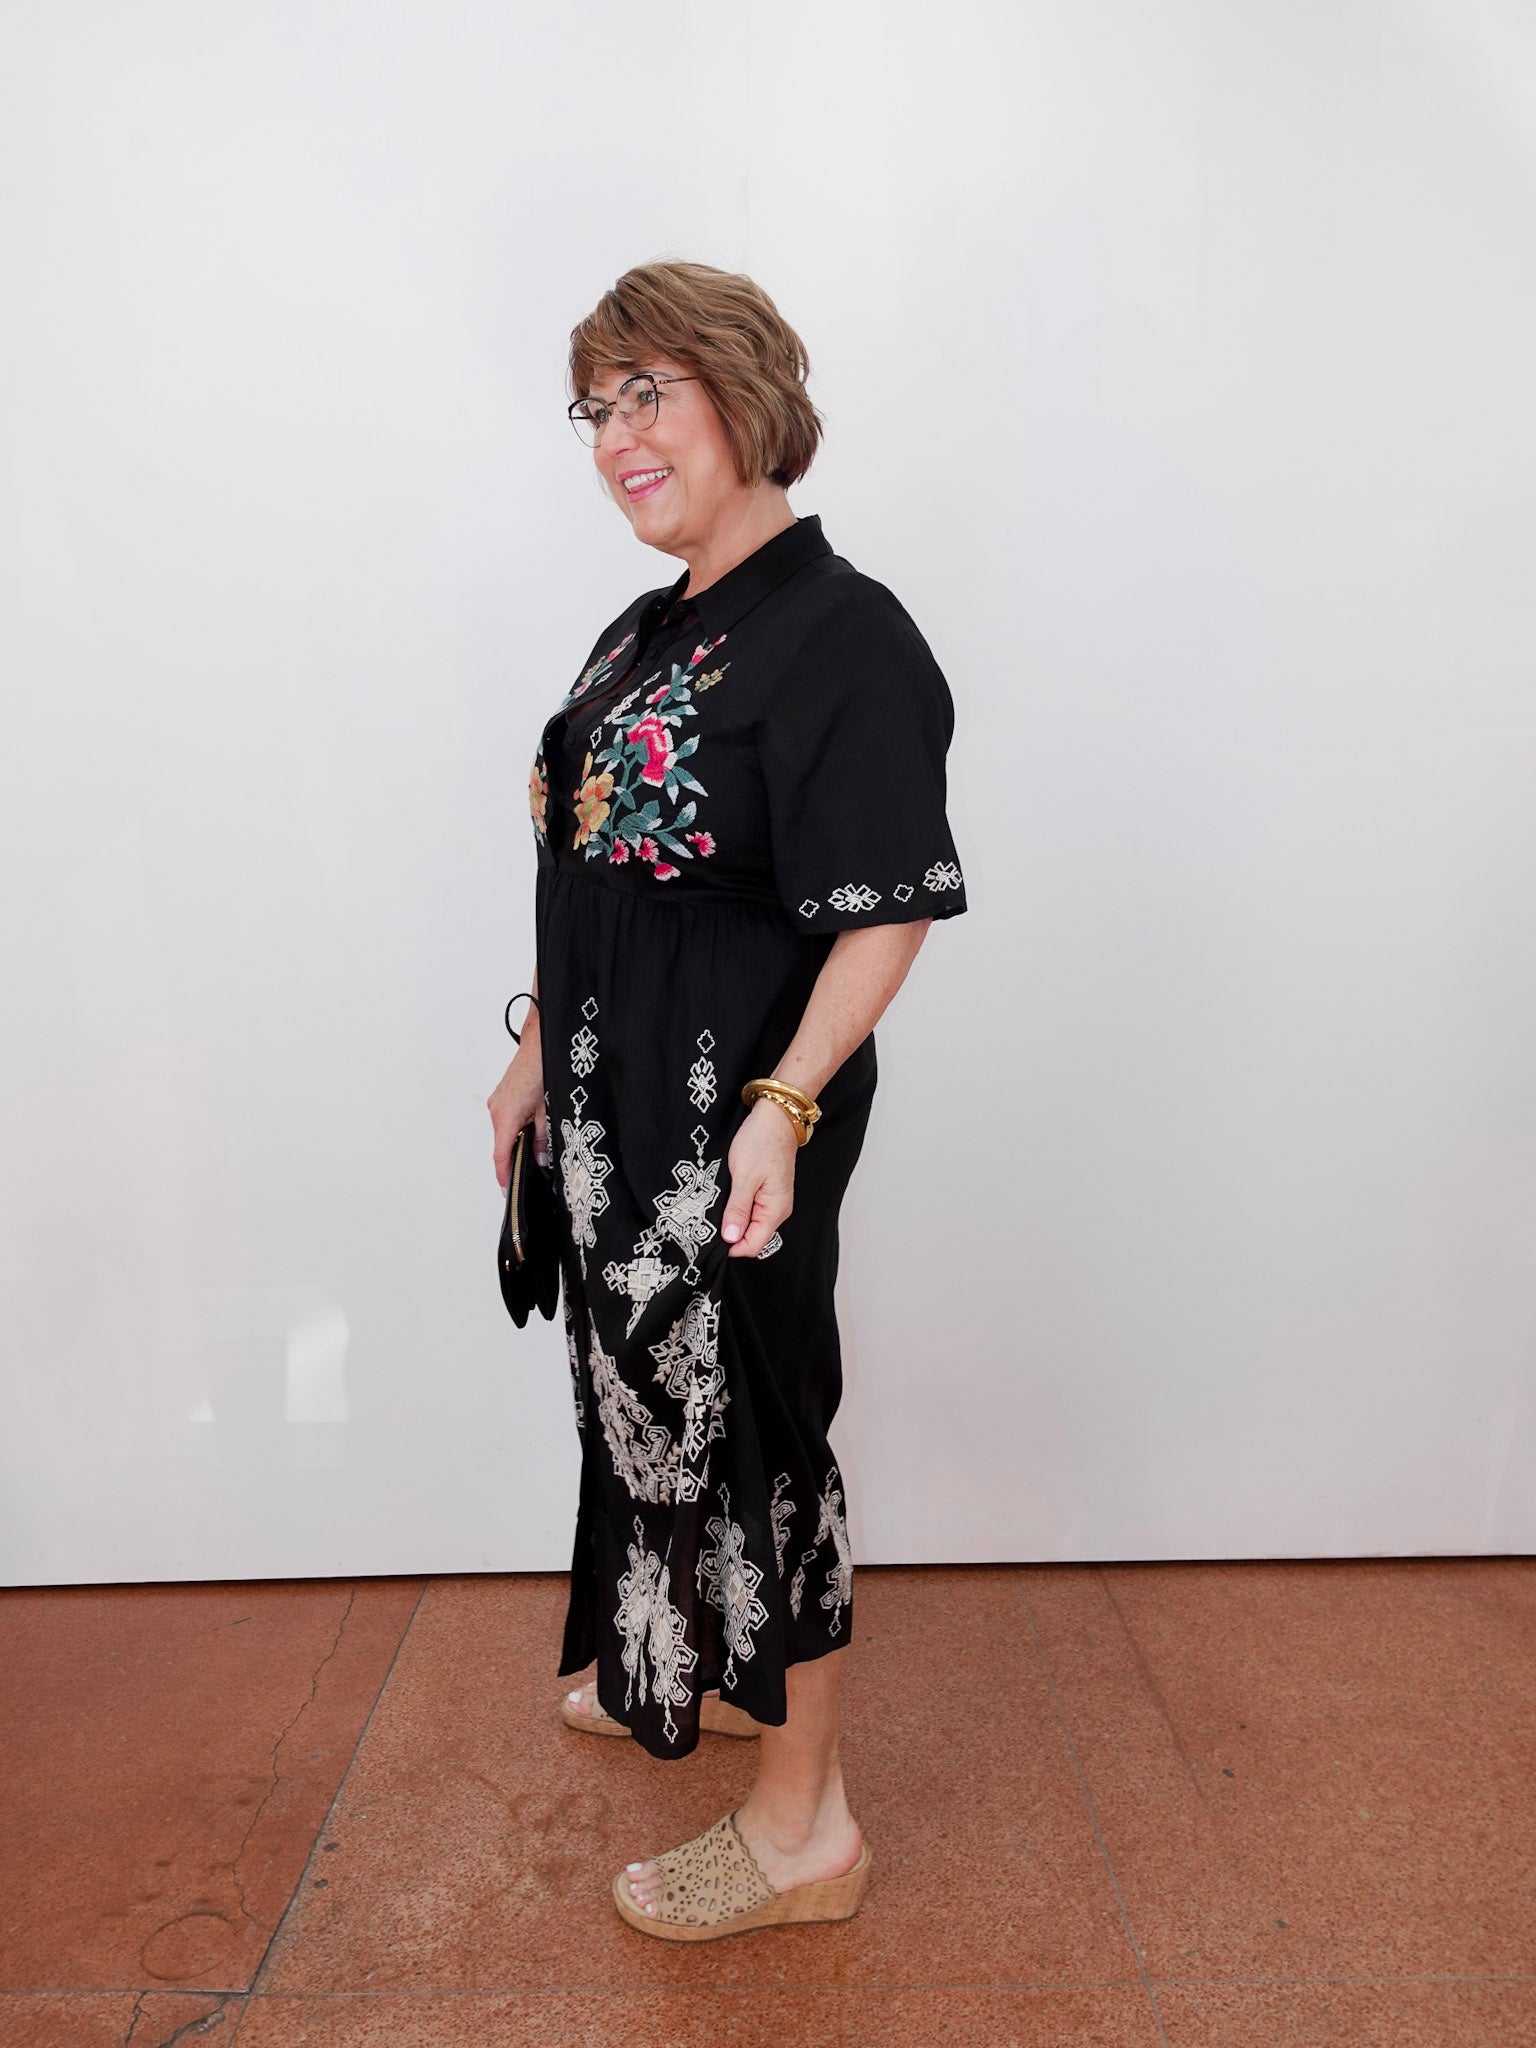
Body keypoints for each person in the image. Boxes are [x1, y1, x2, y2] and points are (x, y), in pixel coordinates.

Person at [486, 260, 968, 1940]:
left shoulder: (845, 636)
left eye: (651, 393)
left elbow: (887, 906)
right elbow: (601, 866)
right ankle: (679, 1652)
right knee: (642, 1396)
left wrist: (783, 1104)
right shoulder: (648, 628)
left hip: (736, 1129)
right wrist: (536, 1049)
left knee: (754, 1420)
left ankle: (805, 1828)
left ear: (745, 396)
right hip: (615, 1116)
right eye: (595, 406)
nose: (616, 436)